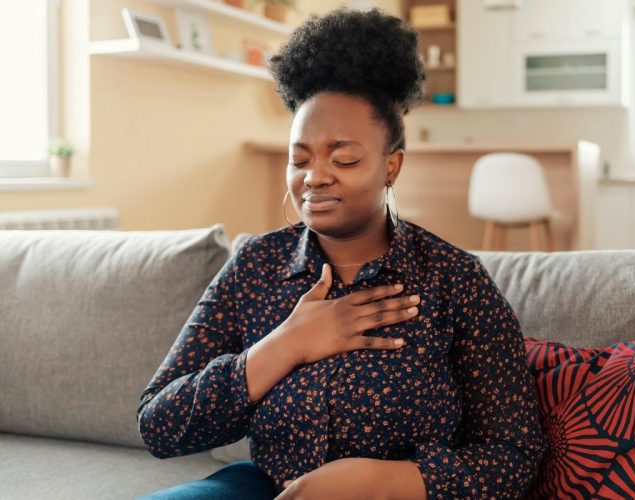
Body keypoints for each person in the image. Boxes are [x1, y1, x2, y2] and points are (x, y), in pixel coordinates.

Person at [136, 7, 546, 499]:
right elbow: (158, 424)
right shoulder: (256, 267)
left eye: (344, 157)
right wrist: (286, 345)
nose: (315, 176)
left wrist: (381, 480)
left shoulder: (454, 280)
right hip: (264, 487)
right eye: (300, 158)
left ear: (391, 165)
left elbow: (514, 455)